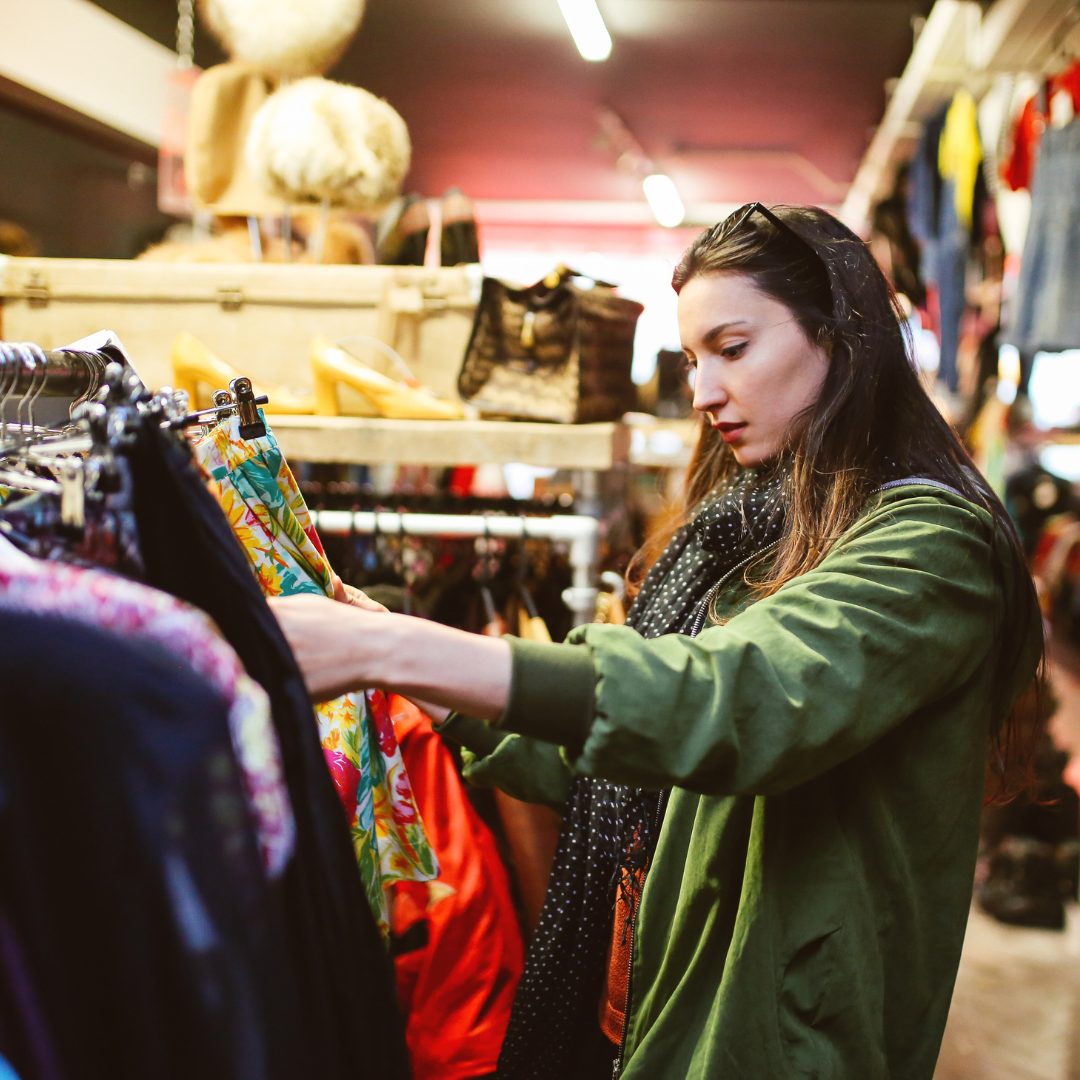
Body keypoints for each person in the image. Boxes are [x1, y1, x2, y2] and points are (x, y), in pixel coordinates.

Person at [270, 204, 1044, 1080]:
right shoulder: (747, 531)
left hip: (780, 1033)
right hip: (665, 986)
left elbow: (735, 698)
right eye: (692, 360)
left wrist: (400, 652)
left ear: (839, 337)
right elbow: (614, 754)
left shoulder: (933, 545)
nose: (704, 391)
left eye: (735, 348)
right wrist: (422, 676)